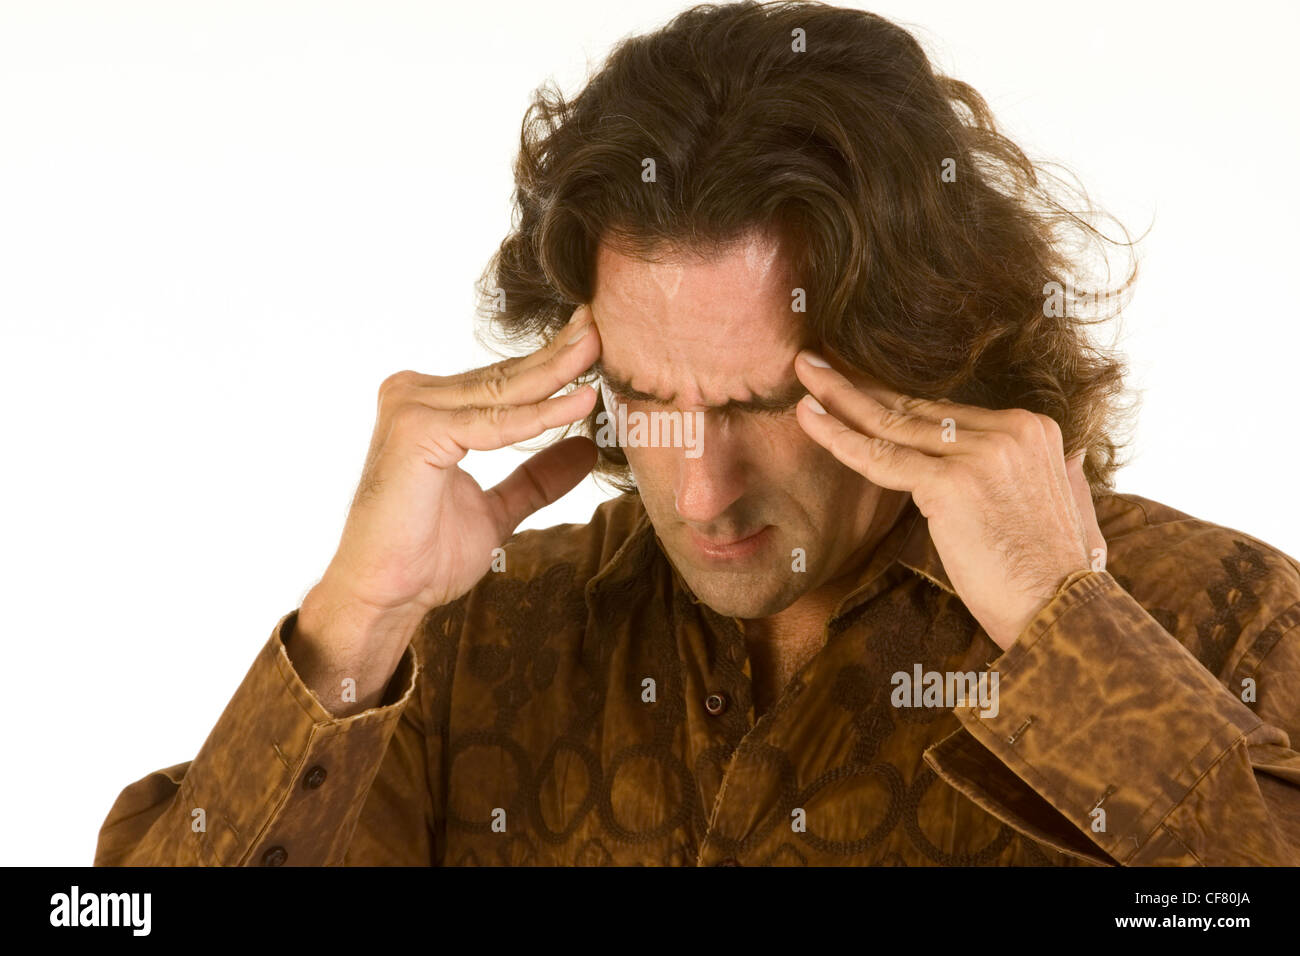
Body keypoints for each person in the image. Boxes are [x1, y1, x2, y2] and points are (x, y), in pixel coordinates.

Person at [96, 1, 1300, 866]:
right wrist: (351, 624)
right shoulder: (476, 645)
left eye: (764, 405)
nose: (700, 486)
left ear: (926, 355)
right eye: (648, 395)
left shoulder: (1217, 618)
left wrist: (1067, 636)